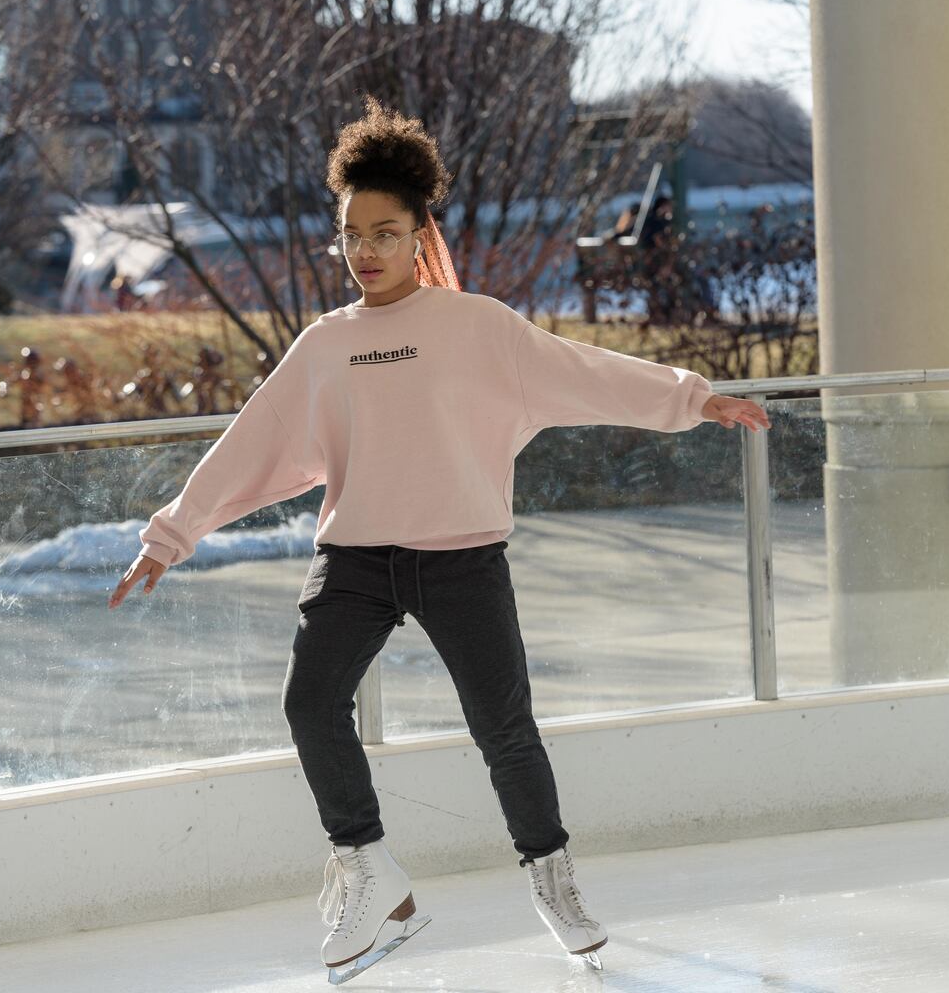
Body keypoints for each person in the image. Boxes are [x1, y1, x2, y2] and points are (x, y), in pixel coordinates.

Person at [107, 94, 771, 982]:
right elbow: (252, 448)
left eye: (385, 233)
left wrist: (696, 399)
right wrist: (171, 535)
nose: (366, 252)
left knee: (506, 731)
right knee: (310, 704)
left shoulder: (479, 328)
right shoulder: (325, 344)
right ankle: (369, 871)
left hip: (462, 560)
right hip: (354, 562)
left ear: (420, 232)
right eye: (351, 235)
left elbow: (590, 375)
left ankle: (553, 880)